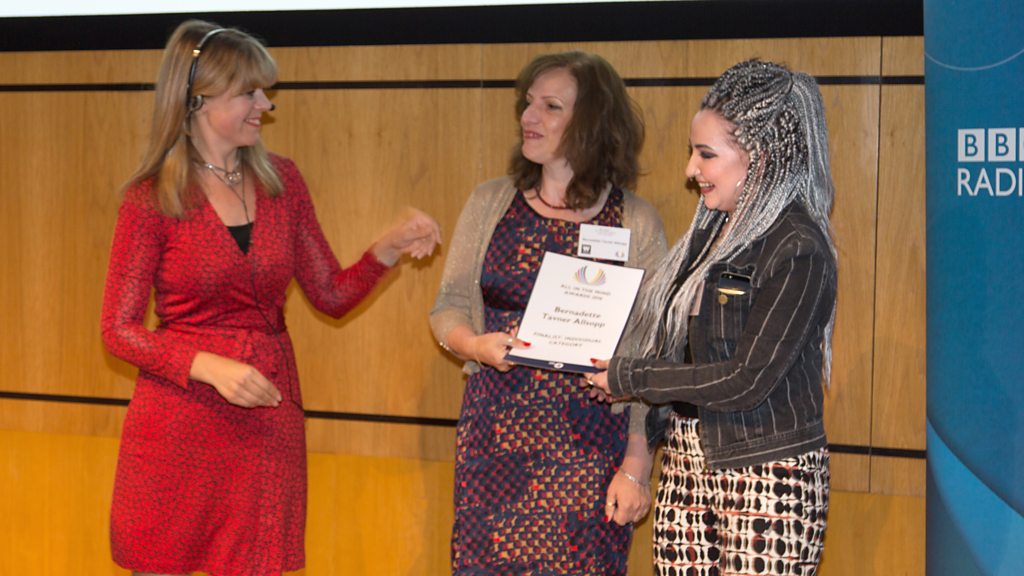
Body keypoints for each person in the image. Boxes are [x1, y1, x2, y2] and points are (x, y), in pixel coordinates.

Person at [100, 20, 440, 576]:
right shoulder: (151, 198)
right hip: (177, 423)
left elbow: (329, 294)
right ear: (198, 98)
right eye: (250, 93)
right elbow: (118, 330)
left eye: (265, 92)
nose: (266, 104)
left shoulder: (283, 181)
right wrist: (208, 365)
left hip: (265, 417)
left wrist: (386, 249)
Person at [587, 59, 838, 576]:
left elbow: (746, 380)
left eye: (706, 154)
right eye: (692, 152)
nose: (690, 170)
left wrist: (632, 376)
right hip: (686, 459)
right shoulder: (708, 234)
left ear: (760, 157)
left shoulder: (798, 247)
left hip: (768, 471)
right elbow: (675, 345)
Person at [430, 51, 667, 575]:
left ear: (592, 123)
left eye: (551, 106)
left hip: (590, 446)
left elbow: (652, 357)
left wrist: (636, 463)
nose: (528, 117)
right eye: (528, 102)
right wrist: (475, 345)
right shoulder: (490, 203)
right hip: (495, 439)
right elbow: (447, 308)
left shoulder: (636, 222)